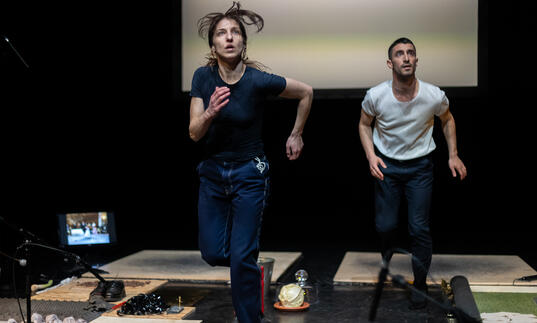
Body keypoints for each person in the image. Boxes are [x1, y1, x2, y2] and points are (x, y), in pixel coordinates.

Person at [188, 2, 313, 322]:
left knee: (242, 255)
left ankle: (249, 315)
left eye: (235, 33)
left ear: (243, 43)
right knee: (213, 253)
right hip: (213, 174)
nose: (228, 38)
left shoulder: (258, 80)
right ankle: (246, 267)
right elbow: (194, 133)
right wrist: (211, 112)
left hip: (249, 172)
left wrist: (296, 134)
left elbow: (306, 92)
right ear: (213, 44)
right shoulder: (202, 76)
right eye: (221, 33)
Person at [358, 37, 467, 309]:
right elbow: (363, 124)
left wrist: (453, 154)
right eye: (399, 54)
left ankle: (419, 284)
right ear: (389, 62)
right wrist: (371, 156)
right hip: (387, 166)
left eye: (410, 53)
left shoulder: (433, 95)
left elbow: (448, 119)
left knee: (419, 228)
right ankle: (386, 262)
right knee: (386, 226)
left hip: (420, 167)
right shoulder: (376, 95)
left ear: (416, 60)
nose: (405, 58)